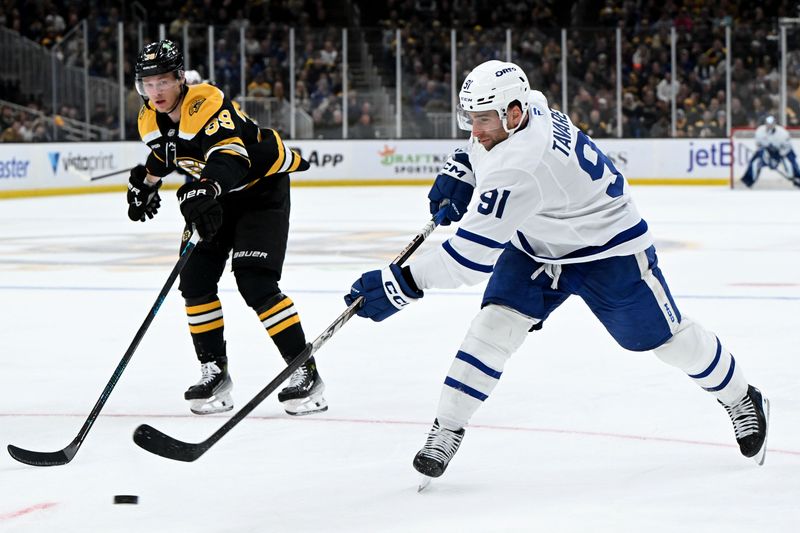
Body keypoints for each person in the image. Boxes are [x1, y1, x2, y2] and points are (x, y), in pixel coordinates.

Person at [345, 60, 770, 481]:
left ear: (514, 114)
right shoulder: (528, 104)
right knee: (493, 327)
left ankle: (742, 397)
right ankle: (447, 428)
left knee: (666, 341)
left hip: (608, 249)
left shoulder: (521, 165)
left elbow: (468, 259)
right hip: (539, 244)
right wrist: (465, 165)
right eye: (469, 118)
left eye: (483, 119)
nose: (475, 129)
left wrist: (403, 283)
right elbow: (484, 145)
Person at [127, 39, 327, 416]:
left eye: (163, 81)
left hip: (260, 188)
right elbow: (167, 152)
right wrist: (146, 182)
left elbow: (230, 157)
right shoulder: (148, 118)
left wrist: (205, 188)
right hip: (216, 193)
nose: (156, 91)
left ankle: (305, 372)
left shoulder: (206, 102)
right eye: (148, 84)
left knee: (255, 281)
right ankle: (215, 374)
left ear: (180, 79)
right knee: (194, 281)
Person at [741, 115, 800, 188]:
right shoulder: (759, 131)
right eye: (768, 124)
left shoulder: (783, 133)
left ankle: (797, 177)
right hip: (767, 151)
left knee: (791, 161)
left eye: (771, 124)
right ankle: (748, 181)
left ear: (775, 123)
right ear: (765, 123)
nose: (770, 126)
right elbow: (759, 146)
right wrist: (767, 158)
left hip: (782, 151)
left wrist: (777, 159)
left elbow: (787, 148)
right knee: (755, 162)